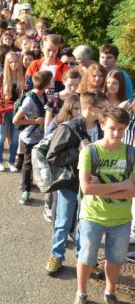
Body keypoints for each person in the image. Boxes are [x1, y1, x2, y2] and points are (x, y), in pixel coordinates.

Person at [74, 107, 135, 304]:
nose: (116, 134)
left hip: (121, 218)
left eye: (121, 129)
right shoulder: (90, 152)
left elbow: (134, 191)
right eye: (111, 128)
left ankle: (110, 293)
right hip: (92, 216)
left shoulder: (131, 153)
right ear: (102, 125)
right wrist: (121, 186)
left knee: (116, 259)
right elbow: (87, 188)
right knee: (86, 257)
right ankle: (81, 293)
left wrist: (102, 186)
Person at [44, 91, 106, 277]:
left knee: (87, 224)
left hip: (93, 185)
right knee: (63, 222)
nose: (105, 111)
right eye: (102, 108)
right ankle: (56, 255)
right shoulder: (69, 128)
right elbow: (52, 156)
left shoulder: (102, 127)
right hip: (70, 185)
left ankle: (85, 259)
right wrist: (78, 151)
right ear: (90, 108)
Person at [14, 69, 53, 205]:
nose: (52, 83)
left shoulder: (43, 95)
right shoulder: (30, 100)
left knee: (37, 163)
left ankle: (30, 183)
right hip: (29, 137)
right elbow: (16, 120)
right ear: (47, 84)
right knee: (28, 164)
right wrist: (35, 121)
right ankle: (25, 191)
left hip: (39, 136)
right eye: (51, 81)